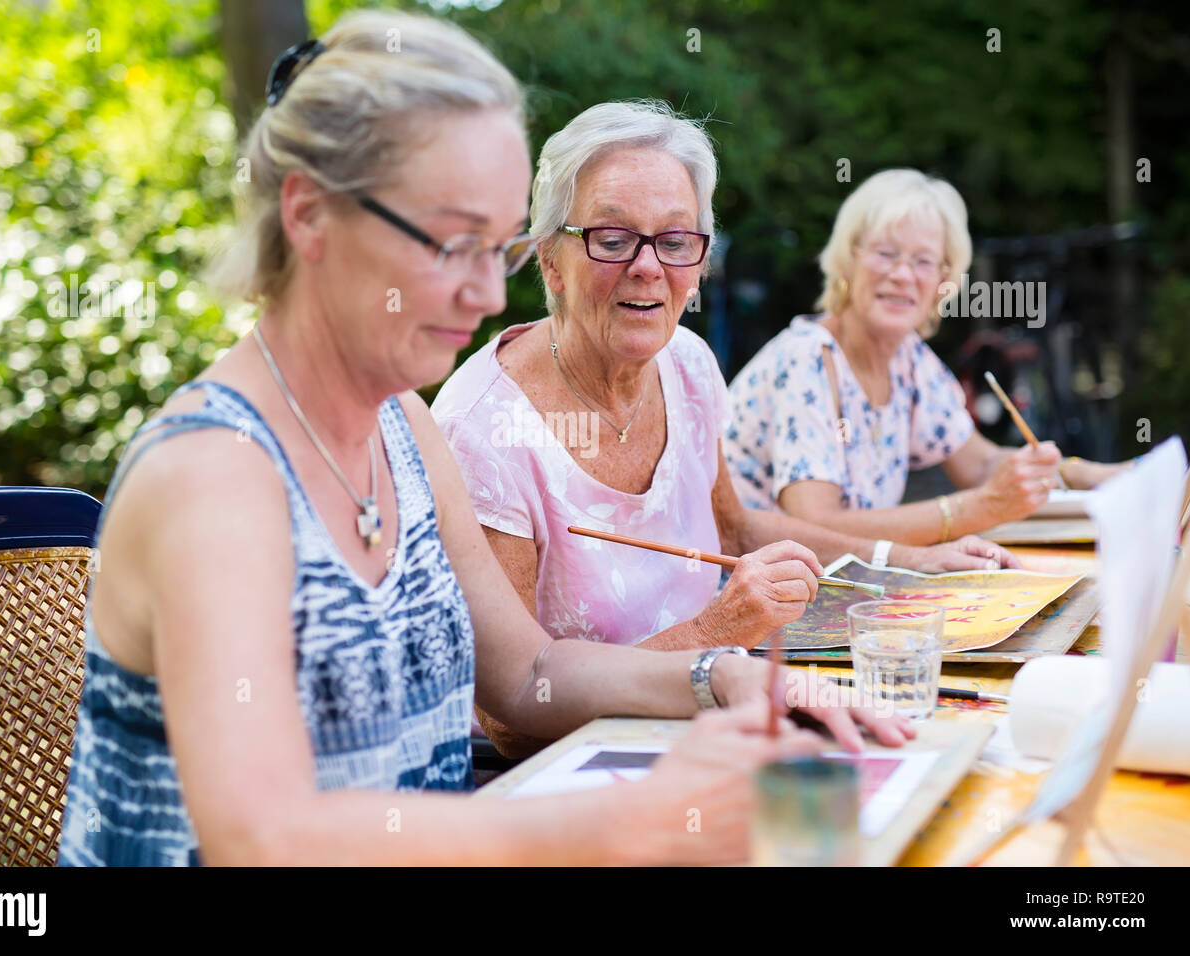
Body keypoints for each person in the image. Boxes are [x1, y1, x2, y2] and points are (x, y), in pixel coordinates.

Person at [56, 13, 908, 868]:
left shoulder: (405, 428)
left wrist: (719, 675)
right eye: (449, 243)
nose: (487, 298)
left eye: (491, 249)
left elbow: (524, 673)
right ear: (310, 216)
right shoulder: (212, 477)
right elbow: (263, 836)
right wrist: (628, 824)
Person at [432, 104, 1010, 758]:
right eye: (613, 238)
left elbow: (736, 528)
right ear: (551, 261)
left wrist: (909, 565)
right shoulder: (484, 430)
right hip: (576, 769)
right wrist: (714, 635)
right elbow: (514, 719)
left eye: (676, 241)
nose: (648, 267)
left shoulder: (688, 364)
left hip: (713, 713)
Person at [724, 168, 1127, 544]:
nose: (902, 274)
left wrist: (1085, 473)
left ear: (942, 281)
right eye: (885, 253)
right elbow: (813, 527)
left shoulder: (909, 360)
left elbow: (982, 464)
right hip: (747, 595)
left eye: (922, 261)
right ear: (848, 260)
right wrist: (974, 509)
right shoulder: (807, 358)